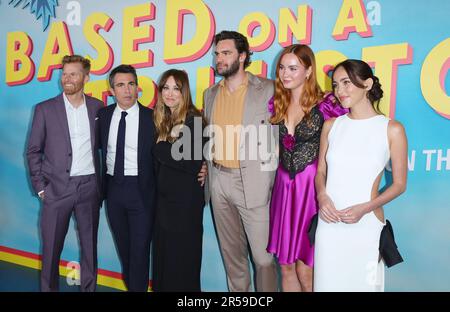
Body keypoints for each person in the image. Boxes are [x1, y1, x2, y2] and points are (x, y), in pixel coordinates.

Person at [313, 59, 408, 291]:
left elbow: (399, 184)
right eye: (336, 85)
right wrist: (322, 196)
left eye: (346, 83)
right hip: (329, 224)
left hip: (366, 225)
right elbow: (321, 171)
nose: (340, 91)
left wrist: (363, 209)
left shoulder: (392, 129)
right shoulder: (332, 125)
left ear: (367, 84)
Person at [266, 44, 348, 292]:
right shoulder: (276, 103)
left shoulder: (326, 105)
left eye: (293, 68)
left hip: (310, 190)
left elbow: (348, 142)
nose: (285, 73)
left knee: (306, 267)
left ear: (309, 70)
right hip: (283, 189)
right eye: (282, 67)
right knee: (286, 265)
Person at [203, 30, 278, 292]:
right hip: (218, 181)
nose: (219, 59)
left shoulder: (268, 88)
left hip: (254, 182)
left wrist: (271, 178)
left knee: (263, 259)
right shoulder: (210, 93)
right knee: (232, 256)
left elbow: (281, 135)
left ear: (243, 56)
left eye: (226, 53)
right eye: (216, 54)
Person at [26, 55, 104, 292]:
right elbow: (33, 151)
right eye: (65, 73)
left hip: (89, 187)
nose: (67, 79)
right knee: (50, 250)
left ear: (86, 77)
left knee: (90, 249)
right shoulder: (44, 109)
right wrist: (41, 188)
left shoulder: (97, 107)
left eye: (74, 74)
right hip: (56, 189)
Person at [97, 64, 156, 292]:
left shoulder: (152, 117)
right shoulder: (103, 116)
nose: (127, 90)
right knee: (125, 250)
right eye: (120, 85)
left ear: (137, 87)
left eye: (131, 84)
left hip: (141, 192)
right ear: (112, 90)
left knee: (140, 252)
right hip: (113, 190)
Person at [151, 69, 206, 292]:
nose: (170, 94)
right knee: (164, 264)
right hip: (163, 205)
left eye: (176, 88)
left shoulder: (195, 120)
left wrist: (161, 148)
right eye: (166, 88)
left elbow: (191, 163)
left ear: (185, 92)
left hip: (185, 208)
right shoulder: (162, 119)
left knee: (183, 265)